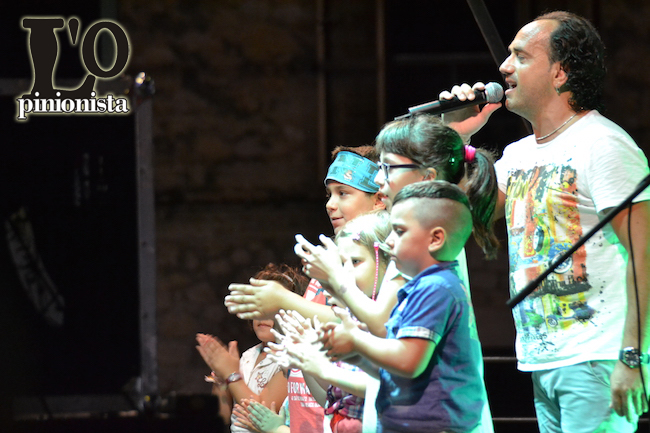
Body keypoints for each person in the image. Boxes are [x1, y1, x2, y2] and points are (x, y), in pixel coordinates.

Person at [441, 11, 650, 433]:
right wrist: (456, 137)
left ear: (560, 72)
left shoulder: (604, 145)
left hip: (596, 357)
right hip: (543, 357)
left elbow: (644, 254)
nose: (504, 67)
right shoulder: (519, 155)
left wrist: (633, 356)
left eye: (521, 56)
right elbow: (455, 216)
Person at [225, 146, 389, 433]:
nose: (330, 204)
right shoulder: (330, 260)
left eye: (343, 193)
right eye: (329, 194)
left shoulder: (380, 264)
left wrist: (284, 300)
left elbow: (366, 322)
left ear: (379, 199)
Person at [320, 181, 488, 433]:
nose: (388, 241)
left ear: (435, 239)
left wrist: (356, 340)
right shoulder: (420, 288)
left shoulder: (436, 288)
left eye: (399, 231)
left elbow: (408, 362)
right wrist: (356, 356)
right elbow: (395, 370)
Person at [196, 263, 308, 432]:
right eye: (258, 306)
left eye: (271, 307)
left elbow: (259, 415)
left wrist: (231, 374)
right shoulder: (249, 355)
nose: (263, 314)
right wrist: (221, 379)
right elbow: (224, 416)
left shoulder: (291, 359)